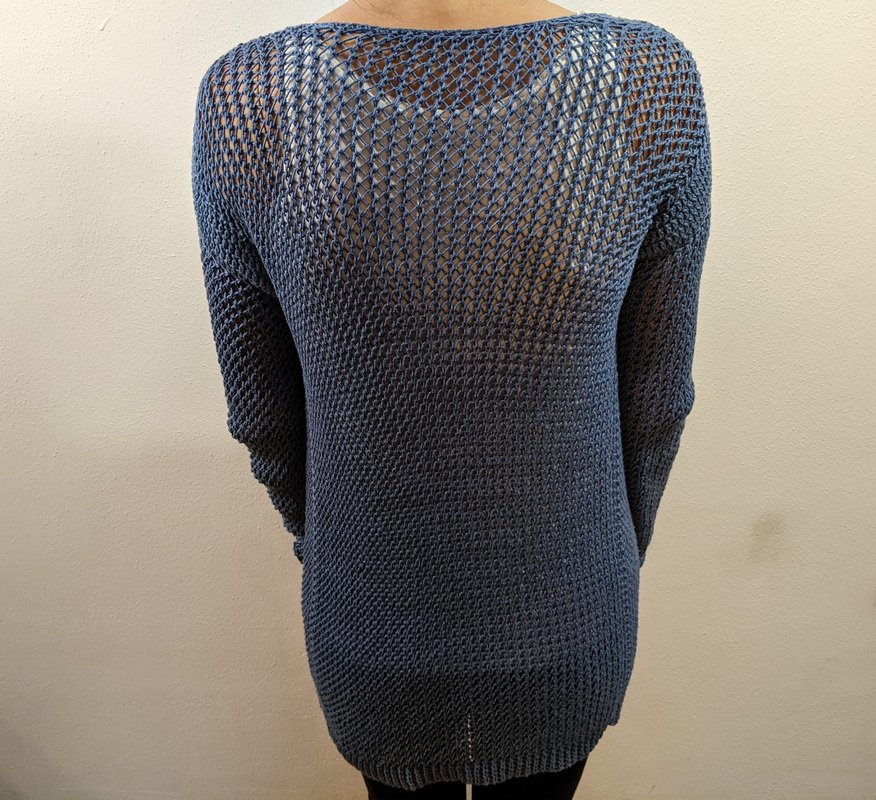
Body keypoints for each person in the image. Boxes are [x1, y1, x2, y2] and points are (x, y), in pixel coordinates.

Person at [191, 0, 712, 795]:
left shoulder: (249, 95)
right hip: (571, 609)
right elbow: (657, 400)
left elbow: (262, 416)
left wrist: (328, 544)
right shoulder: (648, 81)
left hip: (368, 613)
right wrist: (610, 552)